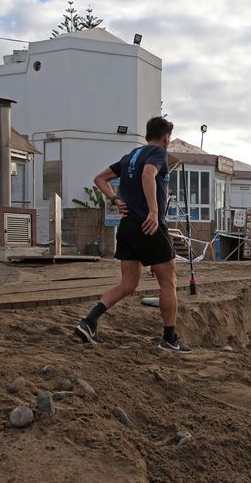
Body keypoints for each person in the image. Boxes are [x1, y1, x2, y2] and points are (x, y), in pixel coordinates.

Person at [74, 116, 191, 353]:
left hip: (127, 227)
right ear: (166, 137)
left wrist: (115, 199)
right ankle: (169, 338)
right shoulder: (158, 154)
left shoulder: (130, 157)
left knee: (128, 284)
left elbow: (99, 178)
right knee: (168, 282)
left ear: (147, 134)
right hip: (149, 226)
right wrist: (154, 211)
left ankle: (89, 322)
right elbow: (148, 175)